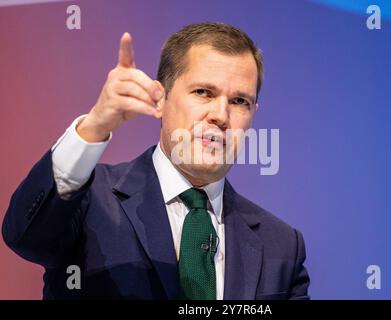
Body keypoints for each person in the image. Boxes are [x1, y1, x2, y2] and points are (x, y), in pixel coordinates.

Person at [2, 22, 309, 300]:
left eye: (239, 101)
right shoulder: (90, 201)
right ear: (160, 99)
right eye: (203, 92)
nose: (220, 115)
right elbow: (25, 237)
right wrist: (94, 127)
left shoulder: (282, 245)